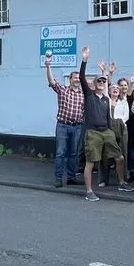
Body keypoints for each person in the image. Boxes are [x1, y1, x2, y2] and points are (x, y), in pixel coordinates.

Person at [78, 47, 129, 201]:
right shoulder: (89, 95)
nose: (101, 82)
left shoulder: (106, 99)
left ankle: (121, 182)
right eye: (99, 81)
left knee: (119, 157)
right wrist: (85, 59)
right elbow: (81, 77)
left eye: (103, 81)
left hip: (106, 131)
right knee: (91, 162)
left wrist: (111, 132)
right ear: (94, 84)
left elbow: (108, 116)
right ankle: (89, 191)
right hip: (92, 132)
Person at [44, 54, 84, 188]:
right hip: (63, 125)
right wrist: (48, 65)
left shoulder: (83, 94)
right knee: (61, 152)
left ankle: (71, 177)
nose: (77, 80)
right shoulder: (63, 90)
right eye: (75, 78)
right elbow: (51, 82)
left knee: (73, 153)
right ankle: (58, 178)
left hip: (77, 126)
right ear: (70, 79)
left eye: (79, 78)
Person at [99, 83, 130, 189]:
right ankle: (103, 180)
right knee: (106, 154)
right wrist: (105, 73)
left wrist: (118, 123)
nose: (116, 90)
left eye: (117, 88)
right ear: (109, 91)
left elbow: (126, 115)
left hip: (121, 129)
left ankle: (122, 179)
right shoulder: (106, 100)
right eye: (113, 88)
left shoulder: (123, 102)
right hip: (108, 129)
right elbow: (104, 87)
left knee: (122, 154)